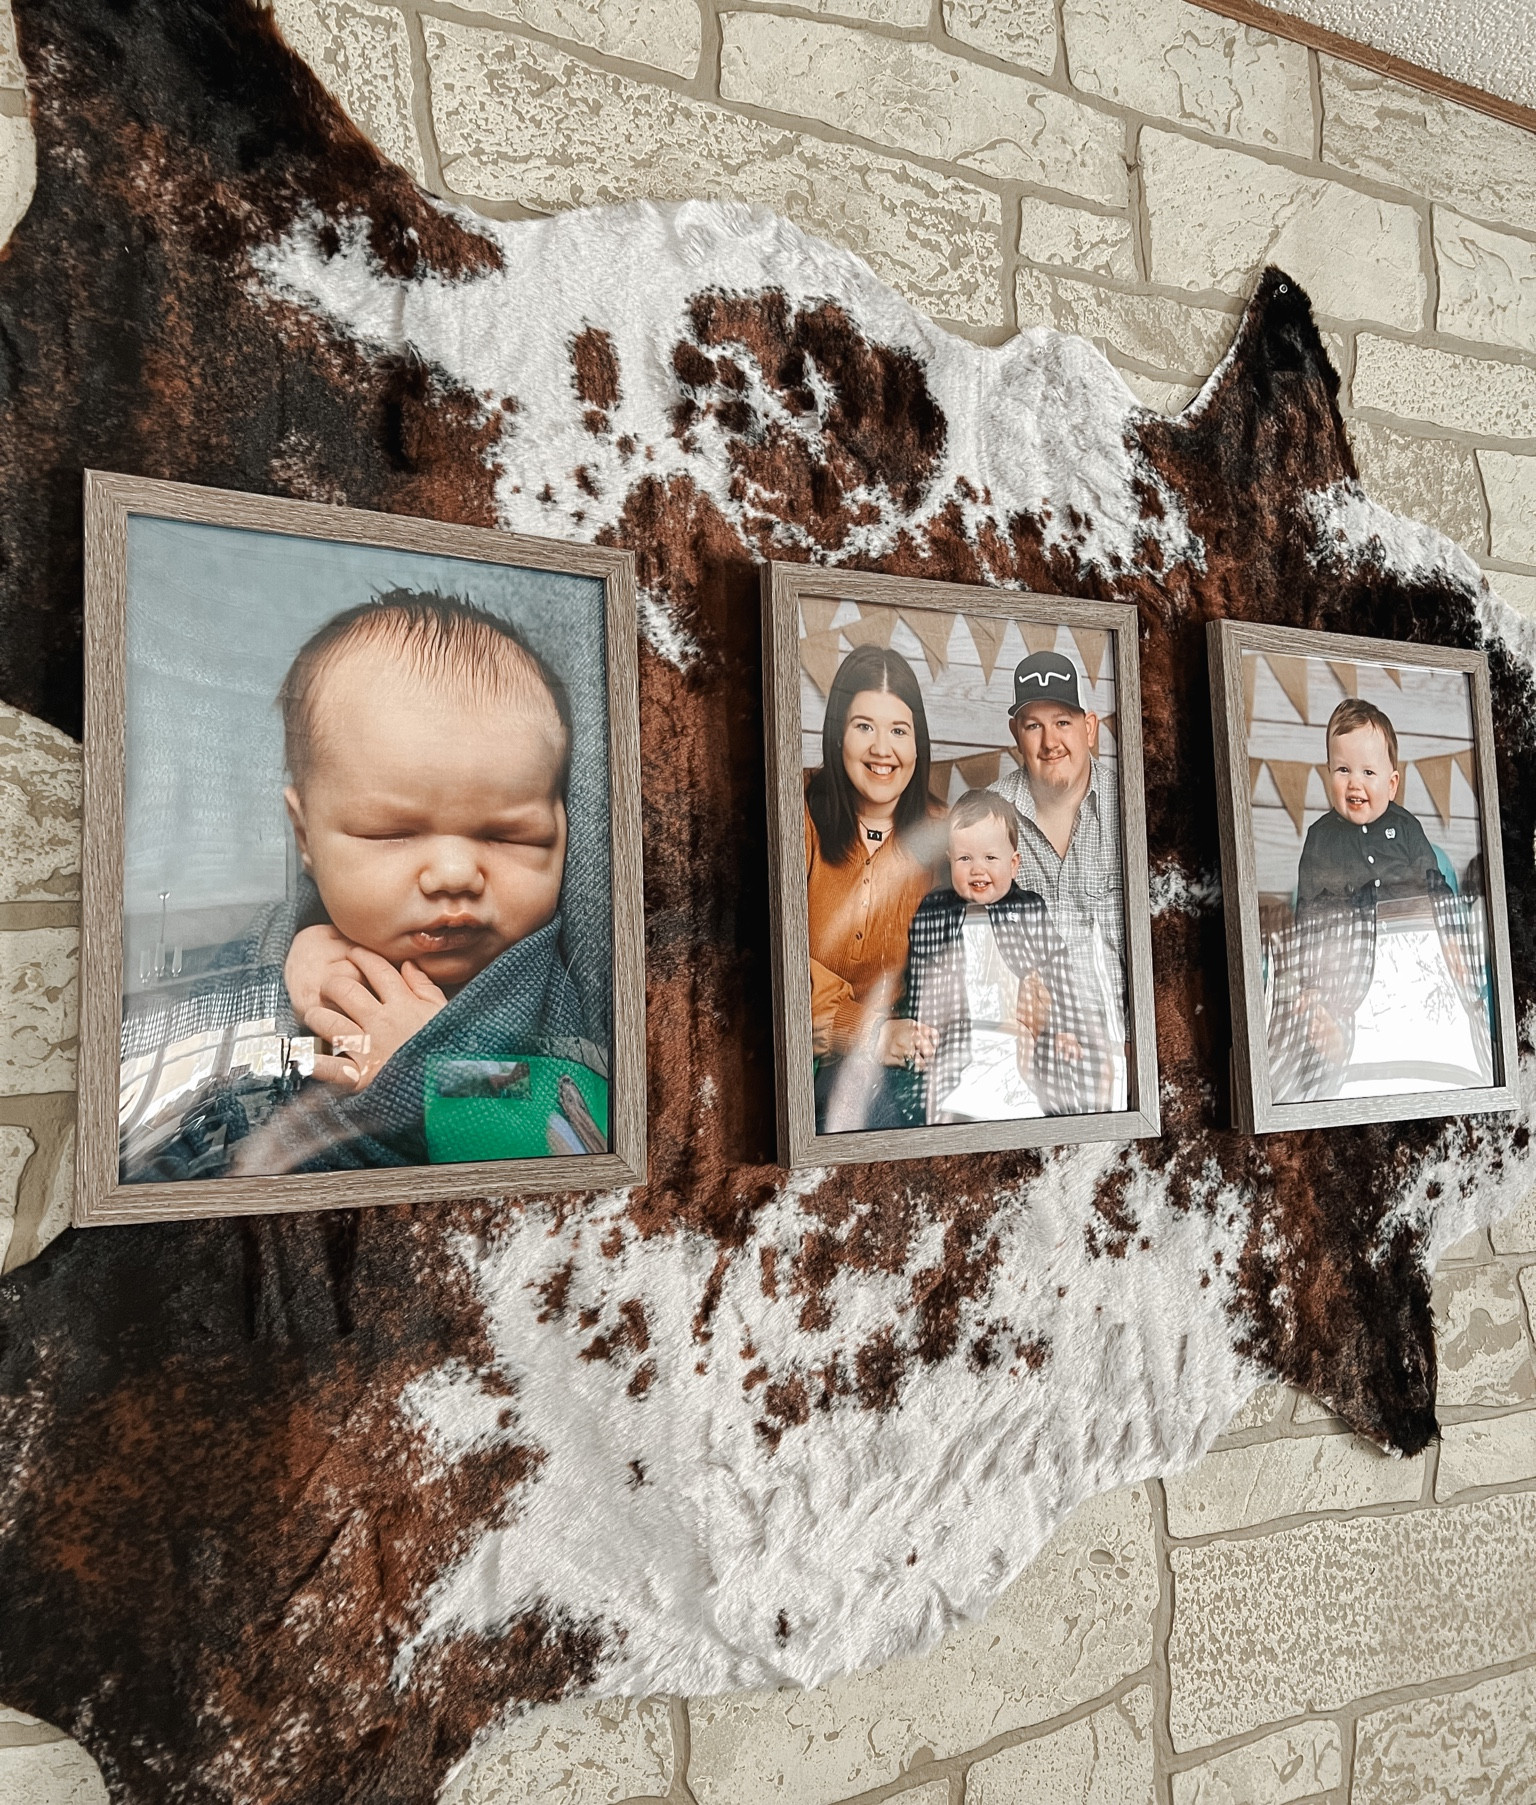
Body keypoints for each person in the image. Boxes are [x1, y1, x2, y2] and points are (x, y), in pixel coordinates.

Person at [121, 591, 593, 1178]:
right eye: (390, 833)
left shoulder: (546, 992)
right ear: (306, 836)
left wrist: (436, 1070)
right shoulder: (270, 950)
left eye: (509, 835)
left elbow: (578, 1134)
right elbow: (147, 1078)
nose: (454, 874)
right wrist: (272, 993)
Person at [804, 643, 944, 1132]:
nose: (882, 749)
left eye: (898, 730)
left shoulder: (943, 834)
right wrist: (864, 1031)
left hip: (904, 1048)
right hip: (797, 1049)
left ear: (917, 744)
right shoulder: (796, 810)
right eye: (864, 726)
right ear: (837, 734)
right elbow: (772, 951)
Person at [904, 790, 1107, 1123]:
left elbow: (1058, 967)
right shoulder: (934, 912)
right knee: (947, 1097)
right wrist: (921, 1028)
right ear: (949, 859)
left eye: (990, 858)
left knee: (1030, 1087)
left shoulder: (1026, 908)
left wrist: (1066, 1029)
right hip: (960, 1030)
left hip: (1017, 1028)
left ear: (1014, 864)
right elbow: (921, 975)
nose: (977, 869)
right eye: (965, 859)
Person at [989, 649, 1127, 1105]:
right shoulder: (987, 816)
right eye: (1034, 725)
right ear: (1016, 734)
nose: (1050, 742)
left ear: (1089, 727)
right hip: (1027, 1056)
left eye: (1063, 722)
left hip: (1127, 1050)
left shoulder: (1129, 806)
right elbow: (969, 944)